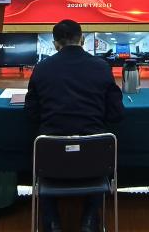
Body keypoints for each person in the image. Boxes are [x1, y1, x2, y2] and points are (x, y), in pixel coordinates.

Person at [25, 19, 124, 232]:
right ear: (83, 39)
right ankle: (89, 219)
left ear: (55, 44)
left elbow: (31, 115)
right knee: (98, 146)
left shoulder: (42, 68)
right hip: (94, 158)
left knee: (44, 147)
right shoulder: (101, 67)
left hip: (51, 159)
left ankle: (51, 222)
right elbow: (116, 114)